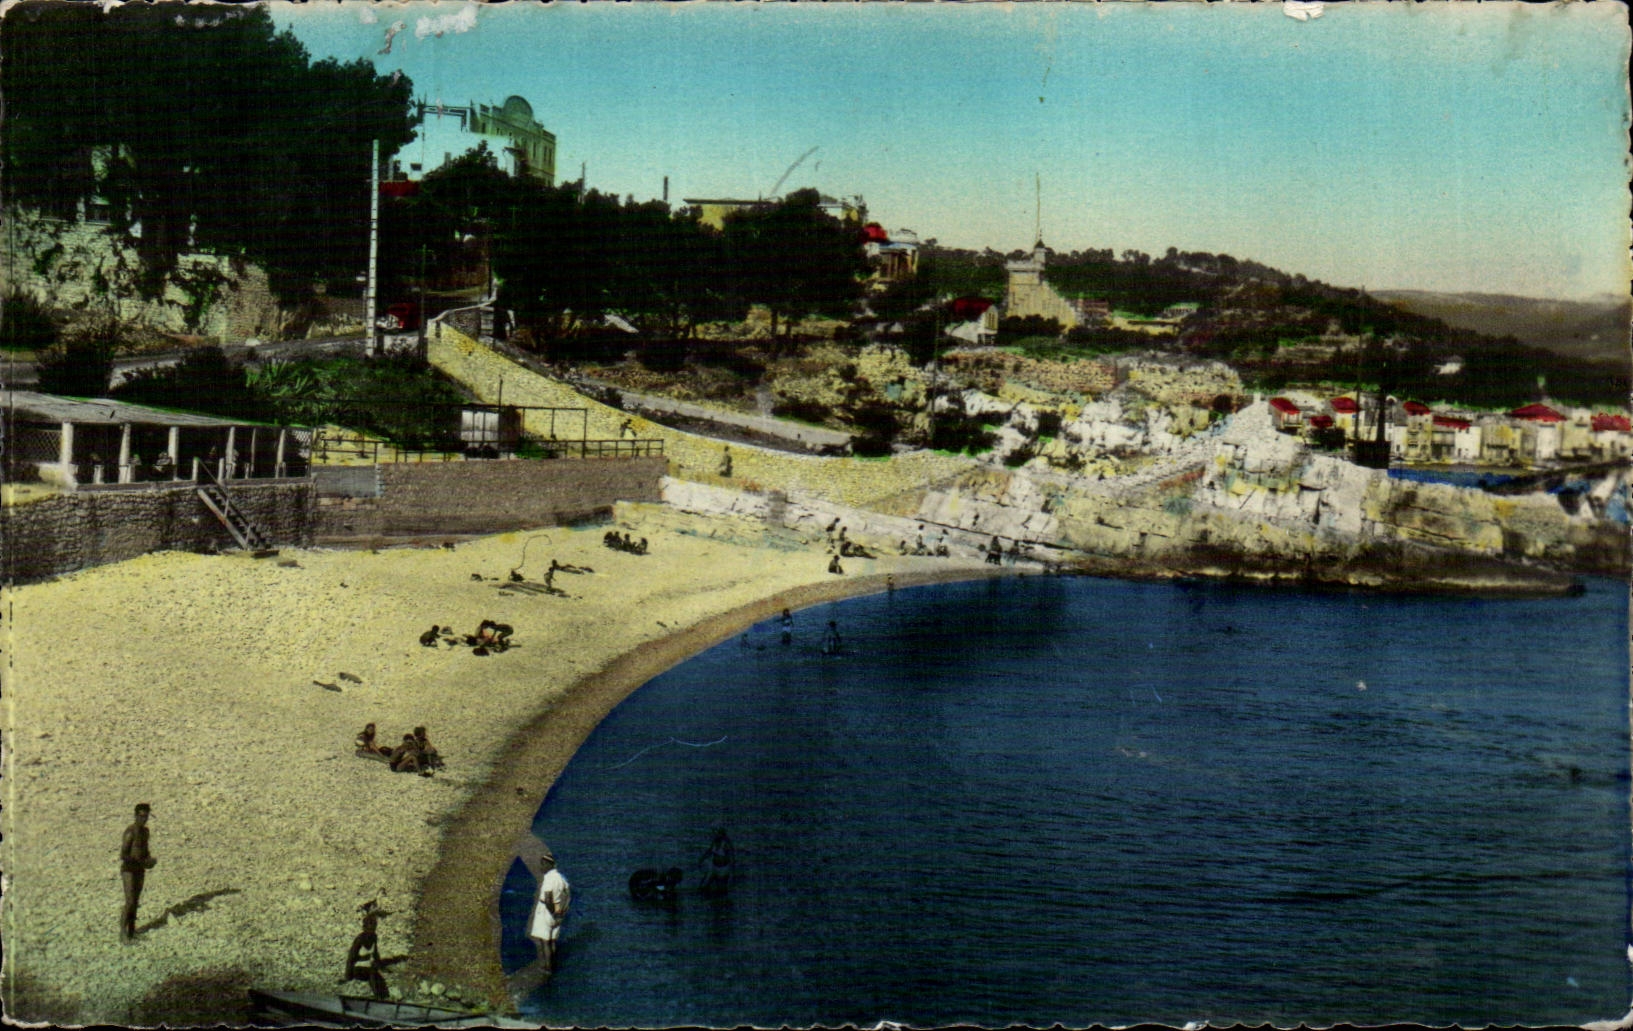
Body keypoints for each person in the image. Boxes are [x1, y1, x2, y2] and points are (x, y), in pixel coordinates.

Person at [529, 846, 571, 974]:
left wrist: (553, 913)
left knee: (544, 941)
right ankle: (553, 963)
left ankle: (548, 967)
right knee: (552, 940)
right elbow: (568, 896)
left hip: (546, 911)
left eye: (542, 864)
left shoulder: (549, 879)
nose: (541, 867)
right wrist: (562, 912)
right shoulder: (561, 878)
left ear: (548, 865)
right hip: (558, 909)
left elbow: (547, 899)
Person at [120, 803, 157, 941]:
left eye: (146, 816)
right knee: (129, 901)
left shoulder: (145, 832)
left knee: (135, 901)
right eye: (141, 816)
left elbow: (145, 851)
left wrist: (149, 861)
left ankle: (132, 932)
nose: (144, 819)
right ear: (135, 816)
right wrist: (139, 861)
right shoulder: (130, 832)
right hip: (129, 869)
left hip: (140, 869)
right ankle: (122, 934)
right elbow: (123, 855)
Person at [343, 908, 389, 999]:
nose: (372, 930)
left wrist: (382, 967)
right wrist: (348, 977)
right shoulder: (359, 939)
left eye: (374, 928)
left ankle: (385, 997)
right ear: (365, 927)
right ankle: (377, 997)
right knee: (372, 973)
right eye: (370, 928)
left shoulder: (374, 937)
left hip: (368, 968)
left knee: (380, 979)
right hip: (358, 969)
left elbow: (375, 954)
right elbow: (351, 959)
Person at [698, 828, 734, 898]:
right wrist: (702, 859)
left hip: (723, 868)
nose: (714, 835)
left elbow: (731, 857)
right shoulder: (715, 841)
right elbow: (710, 850)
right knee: (703, 886)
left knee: (722, 890)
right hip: (713, 866)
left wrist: (731, 872)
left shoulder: (726, 843)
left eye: (716, 833)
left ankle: (721, 903)